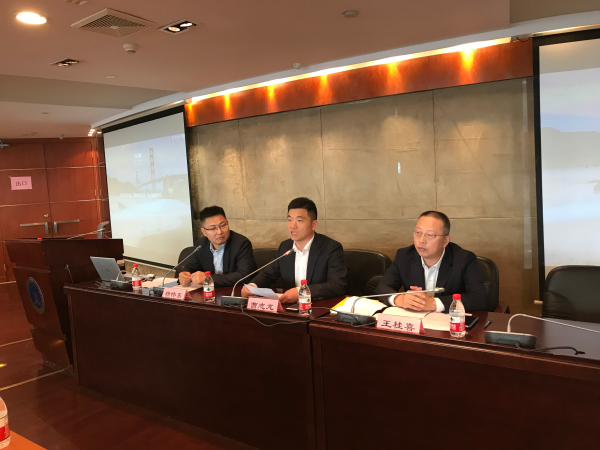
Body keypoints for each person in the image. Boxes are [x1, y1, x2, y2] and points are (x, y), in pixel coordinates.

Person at [374, 211, 487, 312]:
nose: (421, 240)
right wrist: (400, 299)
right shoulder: (404, 256)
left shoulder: (464, 259)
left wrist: (433, 304)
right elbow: (382, 287)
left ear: (445, 240)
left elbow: (479, 299)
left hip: (449, 323)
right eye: (418, 233)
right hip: (416, 323)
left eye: (430, 235)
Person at [241, 197, 347, 303]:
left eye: (299, 220)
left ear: (313, 224)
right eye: (289, 220)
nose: (292, 226)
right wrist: (252, 286)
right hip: (289, 307)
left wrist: (302, 292)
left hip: (318, 307)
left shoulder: (331, 248)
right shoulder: (285, 246)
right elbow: (267, 275)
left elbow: (337, 285)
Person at [179, 206, 257, 288]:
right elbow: (190, 268)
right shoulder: (201, 244)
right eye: (213, 228)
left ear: (227, 223)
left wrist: (208, 279)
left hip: (233, 291)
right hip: (208, 292)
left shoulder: (241, 243)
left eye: (222, 225)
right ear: (204, 232)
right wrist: (184, 275)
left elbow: (244, 276)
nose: (219, 232)